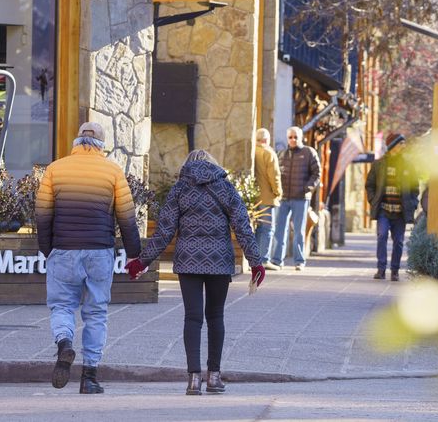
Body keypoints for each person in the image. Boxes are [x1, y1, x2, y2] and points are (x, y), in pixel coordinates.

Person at [125, 150, 265, 396]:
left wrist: (142, 262)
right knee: (215, 317)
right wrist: (256, 262)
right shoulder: (225, 188)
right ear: (213, 164)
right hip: (219, 261)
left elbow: (164, 232)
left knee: (192, 318)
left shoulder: (179, 189)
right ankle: (214, 377)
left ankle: (193, 380)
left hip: (188, 260)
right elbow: (242, 226)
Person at [35, 121, 141, 394]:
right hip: (99, 251)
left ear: (76, 142)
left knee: (61, 306)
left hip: (64, 249)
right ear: (102, 145)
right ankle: (90, 378)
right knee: (96, 313)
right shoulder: (113, 170)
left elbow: (43, 215)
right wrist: (134, 256)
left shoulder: (55, 169)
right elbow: (127, 217)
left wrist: (48, 250)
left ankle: (64, 343)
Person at [365, 133, 419, 281]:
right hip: (383, 209)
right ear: (393, 145)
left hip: (400, 211)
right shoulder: (379, 164)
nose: (404, 146)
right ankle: (381, 269)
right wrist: (373, 199)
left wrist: (413, 203)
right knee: (382, 236)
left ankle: (394, 270)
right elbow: (369, 185)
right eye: (401, 143)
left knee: (399, 241)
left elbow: (415, 187)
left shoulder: (408, 165)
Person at [271, 126, 320, 271]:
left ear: (301, 138)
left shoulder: (308, 152)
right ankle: (277, 260)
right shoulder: (282, 154)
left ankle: (299, 261)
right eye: (290, 137)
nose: (293, 140)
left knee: (299, 231)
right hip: (283, 198)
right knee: (280, 230)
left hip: (301, 198)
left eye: (295, 137)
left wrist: (307, 188)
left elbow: (317, 174)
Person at [254, 128, 283, 271]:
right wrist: (278, 192)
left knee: (258, 229)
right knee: (267, 229)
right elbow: (274, 175)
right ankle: (264, 259)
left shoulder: (253, 151)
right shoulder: (269, 153)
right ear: (267, 139)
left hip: (255, 197)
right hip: (267, 197)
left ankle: (256, 259)